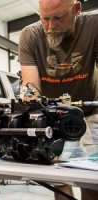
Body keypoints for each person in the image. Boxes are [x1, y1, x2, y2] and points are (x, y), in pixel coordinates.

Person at [18, 0, 98, 199]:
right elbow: (31, 87)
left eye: (58, 18)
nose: (51, 26)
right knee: (59, 180)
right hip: (53, 119)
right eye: (45, 18)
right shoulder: (30, 35)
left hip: (90, 114)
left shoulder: (94, 26)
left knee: (90, 181)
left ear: (76, 9)